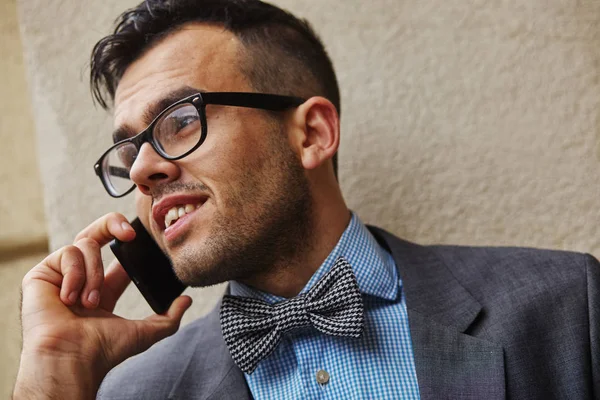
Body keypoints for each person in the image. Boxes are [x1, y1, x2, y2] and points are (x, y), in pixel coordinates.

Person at [13, 0, 600, 399]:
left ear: (312, 134)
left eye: (179, 120)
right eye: (128, 149)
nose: (141, 169)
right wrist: (52, 381)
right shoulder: (133, 393)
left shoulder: (567, 308)